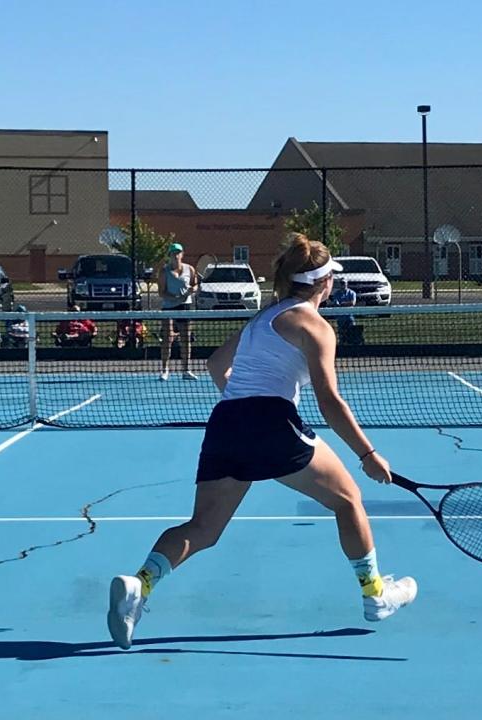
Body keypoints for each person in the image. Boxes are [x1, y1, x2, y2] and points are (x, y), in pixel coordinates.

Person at [107, 232, 417, 651]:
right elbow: (329, 401)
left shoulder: (263, 317)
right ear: (323, 283)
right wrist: (368, 453)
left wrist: (242, 407)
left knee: (203, 528)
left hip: (226, 423)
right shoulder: (316, 326)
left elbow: (218, 365)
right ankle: (375, 594)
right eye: (331, 280)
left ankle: (138, 586)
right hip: (270, 422)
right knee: (348, 500)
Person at [158, 242, 197, 380]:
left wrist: (193, 290)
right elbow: (161, 292)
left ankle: (186, 370)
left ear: (182, 254)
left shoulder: (190, 269)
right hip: (168, 307)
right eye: (173, 253)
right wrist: (174, 298)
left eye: (178, 252)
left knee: (186, 338)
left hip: (185, 307)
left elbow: (194, 284)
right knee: (168, 338)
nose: (176, 255)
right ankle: (164, 370)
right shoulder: (164, 271)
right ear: (170, 255)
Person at [328, 277, 362, 345]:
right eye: (341, 283)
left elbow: (352, 303)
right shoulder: (336, 294)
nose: (342, 285)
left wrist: (341, 304)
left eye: (344, 283)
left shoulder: (352, 293)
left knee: (352, 335)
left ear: (347, 284)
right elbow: (336, 304)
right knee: (341, 335)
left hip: (349, 318)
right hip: (340, 318)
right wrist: (345, 304)